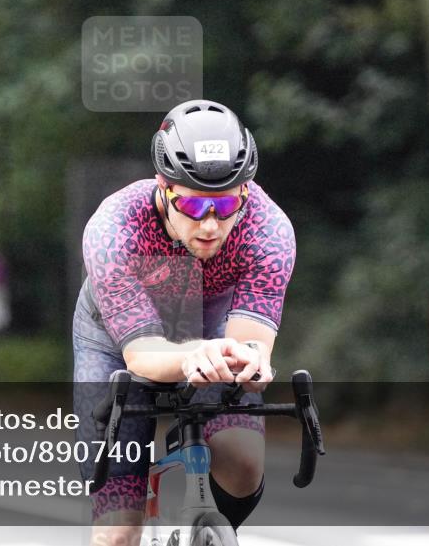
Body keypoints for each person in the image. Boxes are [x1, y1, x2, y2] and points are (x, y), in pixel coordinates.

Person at [74, 100, 296, 545]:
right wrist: (200, 355)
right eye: (194, 205)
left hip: (211, 331)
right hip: (116, 342)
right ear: (163, 186)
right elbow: (143, 355)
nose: (211, 225)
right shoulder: (115, 228)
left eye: (227, 204)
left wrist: (250, 363)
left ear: (246, 194)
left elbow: (252, 343)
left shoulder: (268, 231)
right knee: (117, 530)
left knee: (244, 464)